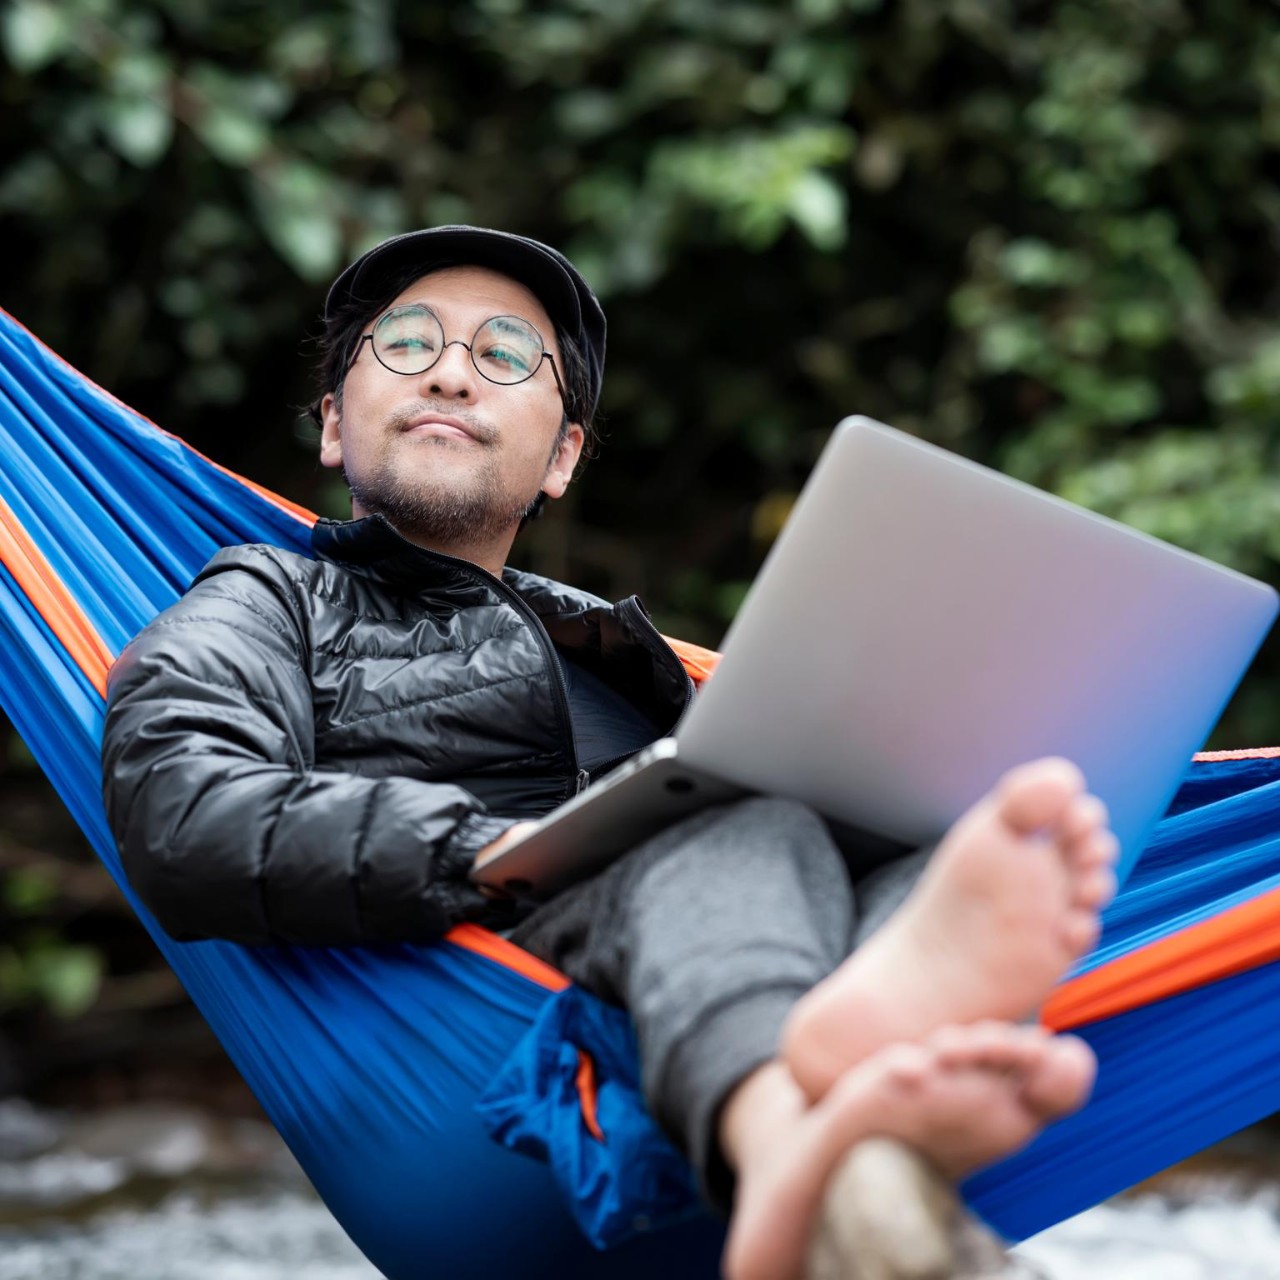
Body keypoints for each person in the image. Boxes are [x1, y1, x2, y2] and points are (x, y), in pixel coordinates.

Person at [101, 226, 1117, 1280]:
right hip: (487, 1043)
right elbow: (179, 808)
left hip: (708, 967)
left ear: (562, 457)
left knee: (920, 853)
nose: (451, 369)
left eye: (504, 355)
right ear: (330, 427)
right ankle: (785, 1130)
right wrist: (508, 850)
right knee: (723, 825)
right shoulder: (273, 596)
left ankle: (853, 1080)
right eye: (405, 343)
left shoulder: (617, 649)